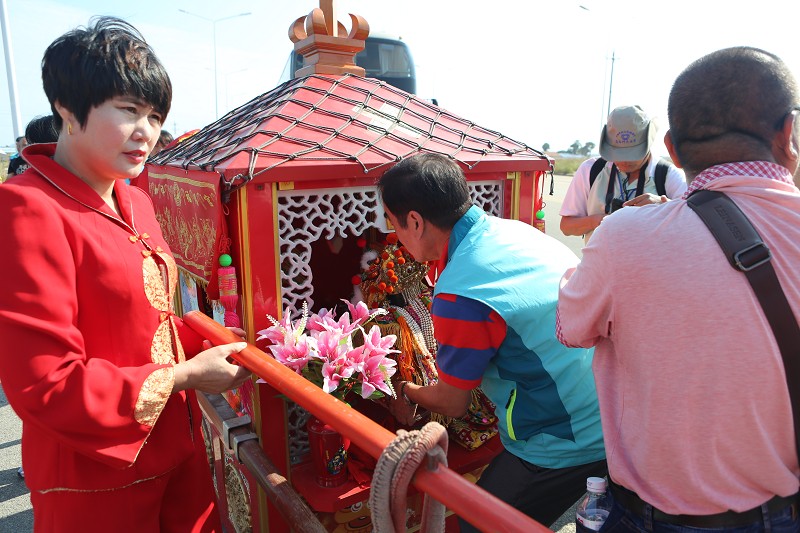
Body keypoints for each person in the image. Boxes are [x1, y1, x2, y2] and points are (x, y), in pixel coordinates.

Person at [0, 17, 251, 532]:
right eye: (129, 111)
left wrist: (211, 340)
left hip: (175, 452)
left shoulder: (136, 199)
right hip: (94, 476)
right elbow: (45, 382)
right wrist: (185, 376)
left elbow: (144, 318)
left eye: (155, 116)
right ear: (68, 110)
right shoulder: (26, 209)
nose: (147, 132)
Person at [557, 46, 800, 532]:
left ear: (667, 146)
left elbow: (570, 328)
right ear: (788, 132)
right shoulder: (595, 179)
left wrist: (618, 238)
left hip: (652, 516)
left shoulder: (626, 237)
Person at [379, 153, 606, 528]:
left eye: (393, 223)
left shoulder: (461, 290)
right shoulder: (515, 231)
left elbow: (452, 403)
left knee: (475, 522)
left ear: (415, 222)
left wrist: (406, 389)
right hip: (609, 410)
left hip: (561, 439)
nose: (395, 236)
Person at [560, 105, 687, 242]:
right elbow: (567, 226)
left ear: (648, 144)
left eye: (633, 153)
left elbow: (693, 225)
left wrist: (663, 206)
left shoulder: (667, 175)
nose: (625, 160)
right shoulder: (591, 170)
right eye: (619, 153)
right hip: (601, 262)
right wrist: (600, 221)